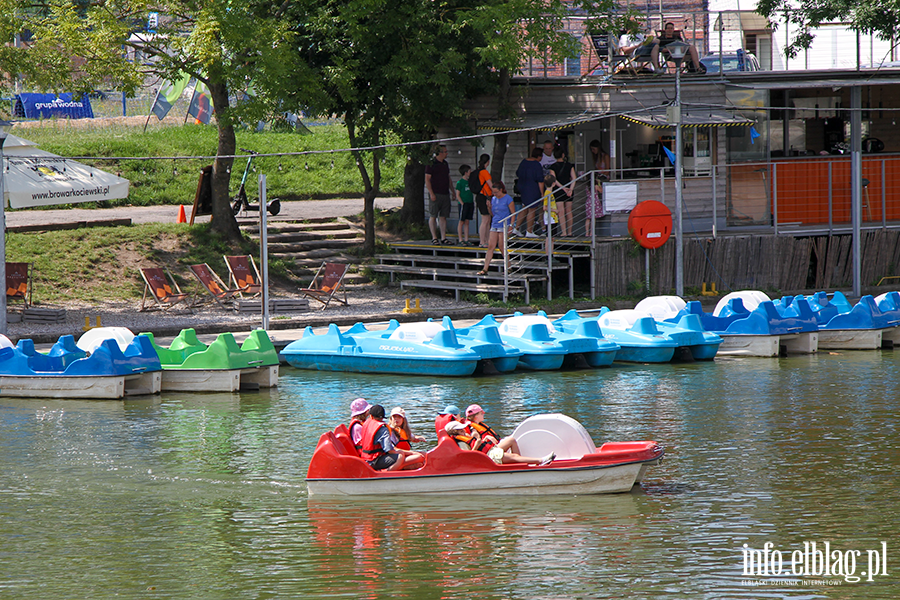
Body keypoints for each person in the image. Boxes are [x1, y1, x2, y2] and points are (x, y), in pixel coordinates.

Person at [464, 404, 555, 466]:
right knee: (513, 457)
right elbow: (476, 441)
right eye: (481, 413)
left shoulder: (478, 425)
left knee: (511, 440)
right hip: (488, 453)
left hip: (491, 448)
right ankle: (540, 461)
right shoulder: (473, 429)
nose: (484, 413)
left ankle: (519, 464)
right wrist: (486, 438)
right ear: (475, 416)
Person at [359, 404, 425, 471]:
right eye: (394, 417)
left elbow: (411, 437)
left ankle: (406, 466)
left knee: (423, 455)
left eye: (399, 417)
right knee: (410, 456)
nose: (396, 419)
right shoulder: (385, 429)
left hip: (369, 458)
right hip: (374, 459)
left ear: (371, 416)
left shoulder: (368, 424)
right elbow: (389, 449)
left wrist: (418, 439)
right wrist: (411, 453)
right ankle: (389, 473)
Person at [475, 181, 515, 276]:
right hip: (495, 224)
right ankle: (485, 269)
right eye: (493, 192)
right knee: (490, 246)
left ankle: (508, 267)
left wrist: (511, 226)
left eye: (496, 192)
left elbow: (513, 213)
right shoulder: (493, 199)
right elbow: (492, 213)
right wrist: (489, 207)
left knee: (501, 246)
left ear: (501, 190)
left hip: (504, 224)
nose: (494, 194)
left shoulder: (508, 199)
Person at [515, 147, 546, 237]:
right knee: (532, 209)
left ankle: (516, 228)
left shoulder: (523, 162)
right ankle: (529, 231)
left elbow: (517, 173)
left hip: (522, 188)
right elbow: (540, 180)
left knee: (524, 207)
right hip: (532, 189)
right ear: (539, 156)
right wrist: (541, 193)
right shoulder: (536, 165)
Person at [425, 144, 453, 245]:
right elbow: (427, 179)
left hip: (445, 192)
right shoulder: (431, 164)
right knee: (433, 215)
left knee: (443, 216)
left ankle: (443, 237)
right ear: (440, 153)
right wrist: (431, 193)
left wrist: (452, 191)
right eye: (445, 152)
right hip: (435, 192)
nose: (446, 153)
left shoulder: (445, 164)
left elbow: (448, 178)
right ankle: (434, 237)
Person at [549, 147, 575, 236]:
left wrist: (563, 188)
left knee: (561, 212)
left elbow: (554, 180)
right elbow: (574, 178)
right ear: (563, 155)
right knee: (569, 211)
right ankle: (570, 232)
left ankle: (563, 232)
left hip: (558, 190)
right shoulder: (569, 165)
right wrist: (570, 189)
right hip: (569, 190)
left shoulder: (553, 167)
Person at [471, 154, 493, 247]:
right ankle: (482, 241)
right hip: (484, 196)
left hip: (480, 196)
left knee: (487, 219)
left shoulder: (477, 172)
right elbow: (490, 185)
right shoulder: (484, 172)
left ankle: (486, 240)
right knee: (485, 219)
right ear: (488, 162)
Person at [455, 165, 476, 247]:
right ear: (466, 172)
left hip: (470, 202)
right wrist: (462, 203)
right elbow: (458, 194)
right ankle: (460, 239)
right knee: (461, 221)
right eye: (469, 171)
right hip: (463, 204)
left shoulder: (470, 182)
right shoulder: (460, 182)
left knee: (467, 221)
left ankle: (466, 239)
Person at [541, 173, 559, 254]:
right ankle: (548, 255)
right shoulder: (548, 193)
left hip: (553, 217)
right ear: (553, 184)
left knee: (552, 237)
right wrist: (554, 210)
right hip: (550, 218)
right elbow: (545, 207)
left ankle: (550, 254)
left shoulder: (549, 193)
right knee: (549, 237)